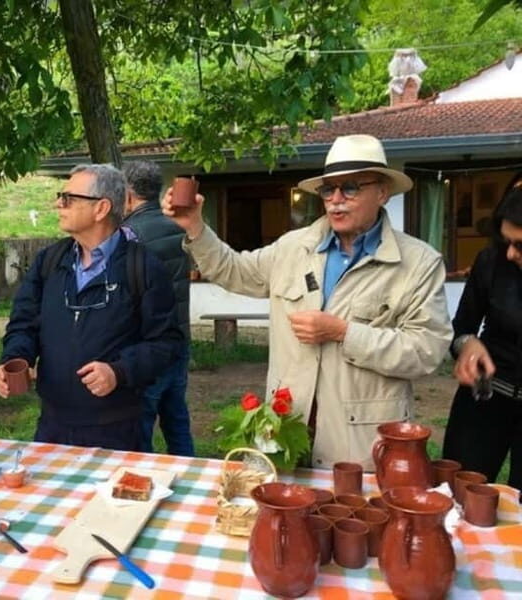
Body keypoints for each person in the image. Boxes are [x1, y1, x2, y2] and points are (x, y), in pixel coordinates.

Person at [164, 134, 452, 469]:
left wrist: (344, 332)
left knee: (351, 519)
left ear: (383, 191)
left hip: (361, 441)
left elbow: (426, 351)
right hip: (286, 427)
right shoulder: (294, 247)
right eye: (328, 190)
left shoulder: (418, 263)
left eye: (351, 188)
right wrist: (195, 227)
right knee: (281, 517)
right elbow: (235, 271)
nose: (336, 200)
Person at [0, 164, 183, 451]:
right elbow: (23, 324)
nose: (59, 204)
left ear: (101, 208)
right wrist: (14, 360)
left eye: (68, 198)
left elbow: (166, 343)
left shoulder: (143, 267)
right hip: (52, 426)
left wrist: (119, 371)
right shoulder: (49, 262)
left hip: (118, 430)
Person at [442, 182, 522, 492]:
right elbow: (460, 328)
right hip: (485, 398)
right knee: (458, 494)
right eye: (507, 241)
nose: (511, 252)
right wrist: (468, 345)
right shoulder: (491, 261)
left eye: (521, 245)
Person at [121, 160, 194, 456]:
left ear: (127, 194)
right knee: (177, 420)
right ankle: (192, 479)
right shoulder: (180, 228)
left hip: (147, 346)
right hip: (180, 337)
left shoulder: (127, 236)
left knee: (141, 424)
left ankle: (142, 482)